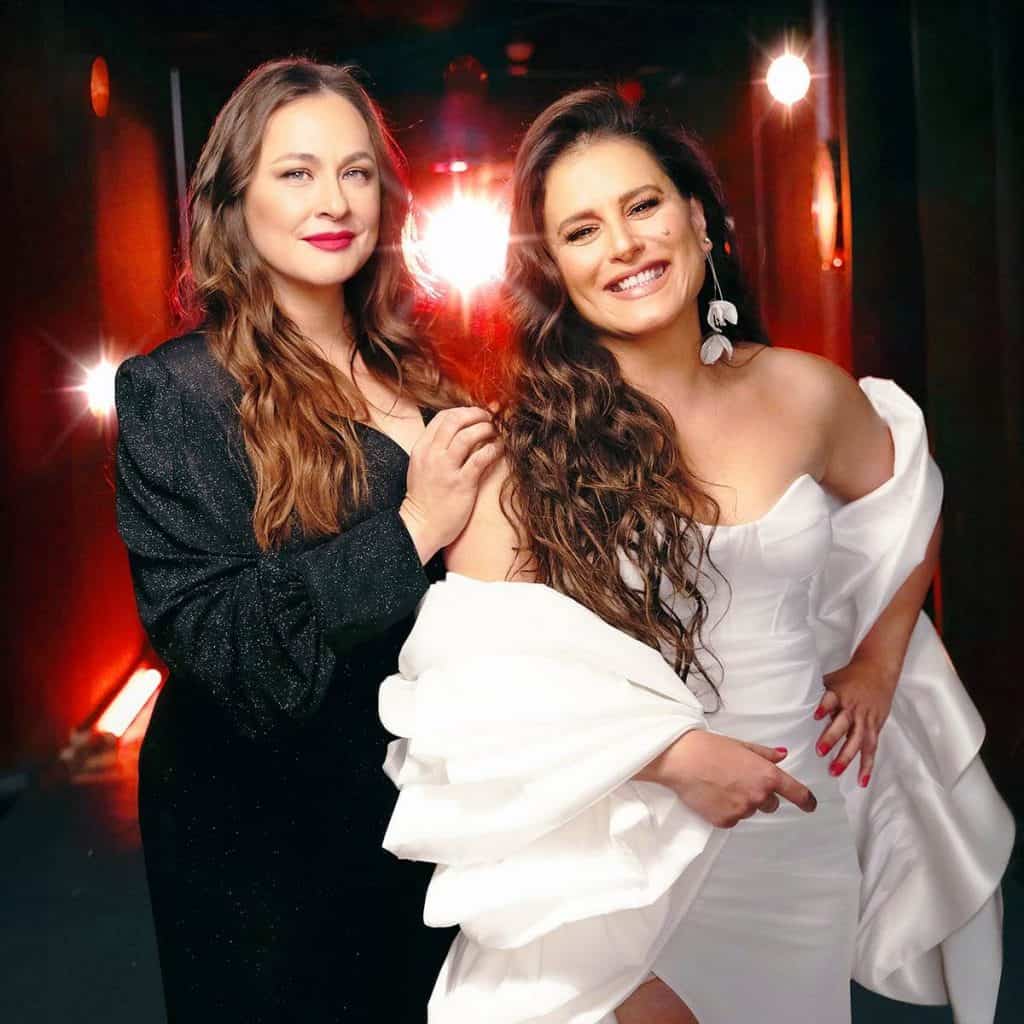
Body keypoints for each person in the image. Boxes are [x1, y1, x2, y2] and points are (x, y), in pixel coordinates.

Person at [379, 87, 1013, 1023]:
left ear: (698, 220)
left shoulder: (805, 392)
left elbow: (909, 503)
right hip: (617, 861)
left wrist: (880, 662)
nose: (624, 245)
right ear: (554, 270)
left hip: (794, 838)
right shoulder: (522, 449)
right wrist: (673, 757)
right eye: (582, 231)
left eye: (641, 205)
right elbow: (475, 684)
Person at [114, 58, 499, 1022]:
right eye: (296, 172)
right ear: (234, 198)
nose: (334, 201)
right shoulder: (179, 392)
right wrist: (414, 527)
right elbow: (222, 641)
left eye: (357, 171)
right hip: (264, 841)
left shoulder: (429, 369)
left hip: (428, 806)